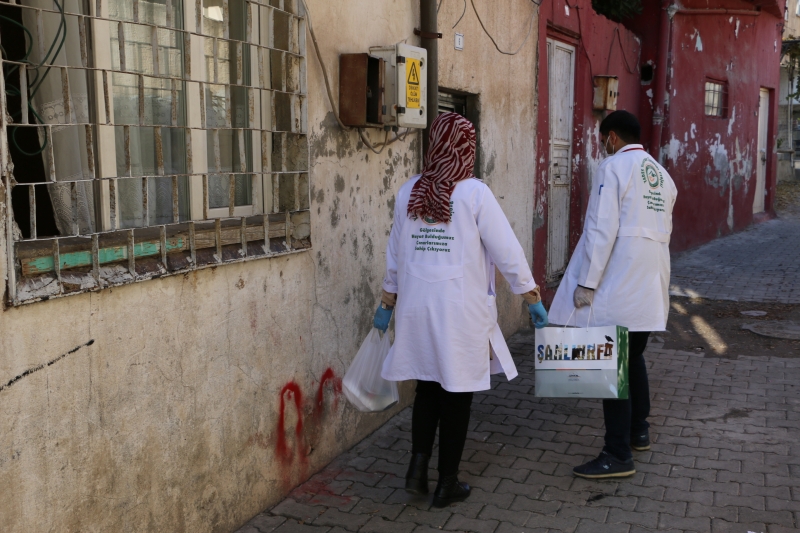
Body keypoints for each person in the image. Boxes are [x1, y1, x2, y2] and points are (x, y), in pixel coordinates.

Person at [372, 112, 548, 507]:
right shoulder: (473, 194)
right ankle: (446, 483)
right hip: (460, 314)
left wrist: (387, 301)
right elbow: (507, 251)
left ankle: (417, 469)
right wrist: (531, 297)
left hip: (417, 310)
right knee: (458, 394)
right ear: (466, 148)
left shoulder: (408, 192)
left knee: (428, 388)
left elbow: (395, 256)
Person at [548, 110, 677, 478]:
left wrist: (586, 283)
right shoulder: (662, 176)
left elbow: (600, 230)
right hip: (651, 279)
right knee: (633, 355)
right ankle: (639, 431)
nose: (600, 145)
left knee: (612, 366)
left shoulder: (612, 168)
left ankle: (617, 454)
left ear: (612, 138)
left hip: (618, 278)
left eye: (601, 138)